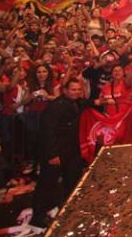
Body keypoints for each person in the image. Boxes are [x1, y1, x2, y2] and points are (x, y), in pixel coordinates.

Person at [31, 79, 105, 228]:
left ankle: (67, 207)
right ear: (65, 90)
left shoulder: (77, 102)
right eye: (73, 90)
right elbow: (47, 132)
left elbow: (86, 102)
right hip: (55, 151)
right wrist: (52, 155)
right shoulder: (55, 106)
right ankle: (38, 216)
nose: (76, 92)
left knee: (73, 179)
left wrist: (98, 102)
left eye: (78, 89)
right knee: (47, 184)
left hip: (72, 151)